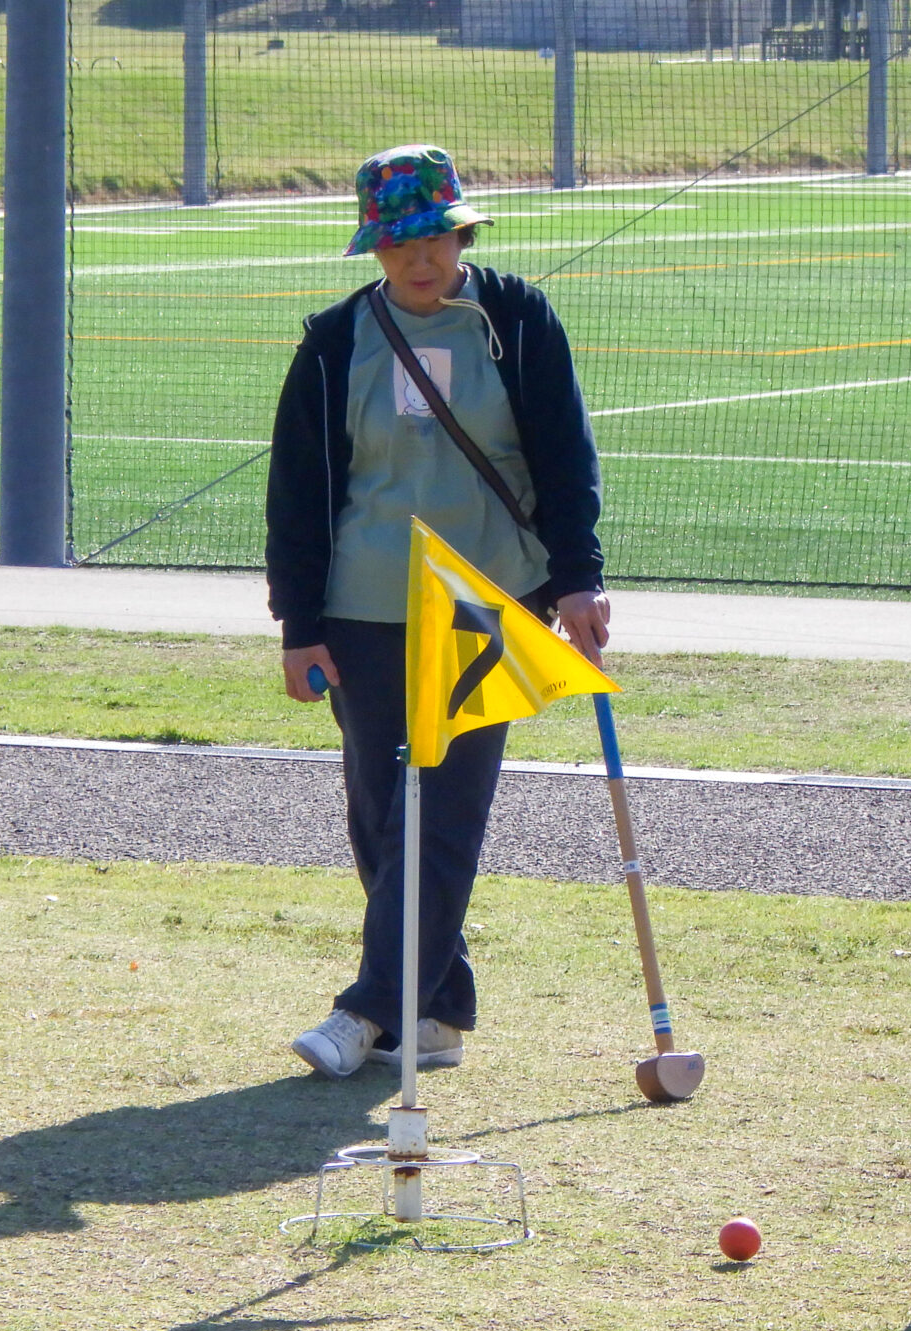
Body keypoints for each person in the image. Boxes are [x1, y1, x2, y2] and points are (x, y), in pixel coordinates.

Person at [265, 145, 608, 1079]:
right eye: (400, 244)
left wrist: (577, 577)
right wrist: (299, 626)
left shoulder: (518, 320)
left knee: (441, 811)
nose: (421, 260)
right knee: (381, 815)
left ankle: (367, 1011)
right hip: (363, 609)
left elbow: (565, 456)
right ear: (376, 251)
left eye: (435, 239)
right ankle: (437, 1010)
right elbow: (298, 493)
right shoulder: (336, 342)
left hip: (484, 605)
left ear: (463, 233)